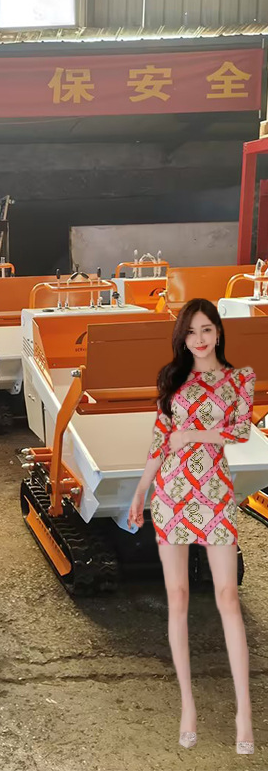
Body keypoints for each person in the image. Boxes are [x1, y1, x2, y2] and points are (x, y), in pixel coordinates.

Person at [127, 298, 255, 755]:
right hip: (171, 494)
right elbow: (160, 439)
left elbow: (242, 429)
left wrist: (194, 434)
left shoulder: (239, 379)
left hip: (215, 494)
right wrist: (141, 490)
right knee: (177, 597)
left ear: (218, 332)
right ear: (182, 338)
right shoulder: (172, 378)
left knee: (228, 598)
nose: (199, 339)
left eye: (206, 330)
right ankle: (188, 706)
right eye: (191, 332)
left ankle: (244, 713)